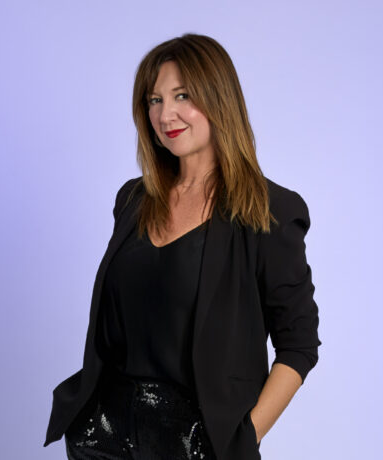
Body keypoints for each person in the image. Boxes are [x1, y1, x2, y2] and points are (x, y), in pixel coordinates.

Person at [43, 33, 321, 460]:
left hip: (197, 443)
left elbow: (298, 346)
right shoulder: (134, 200)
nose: (165, 114)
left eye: (182, 95)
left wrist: (240, 440)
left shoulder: (271, 211)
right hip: (103, 435)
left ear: (219, 98)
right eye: (154, 100)